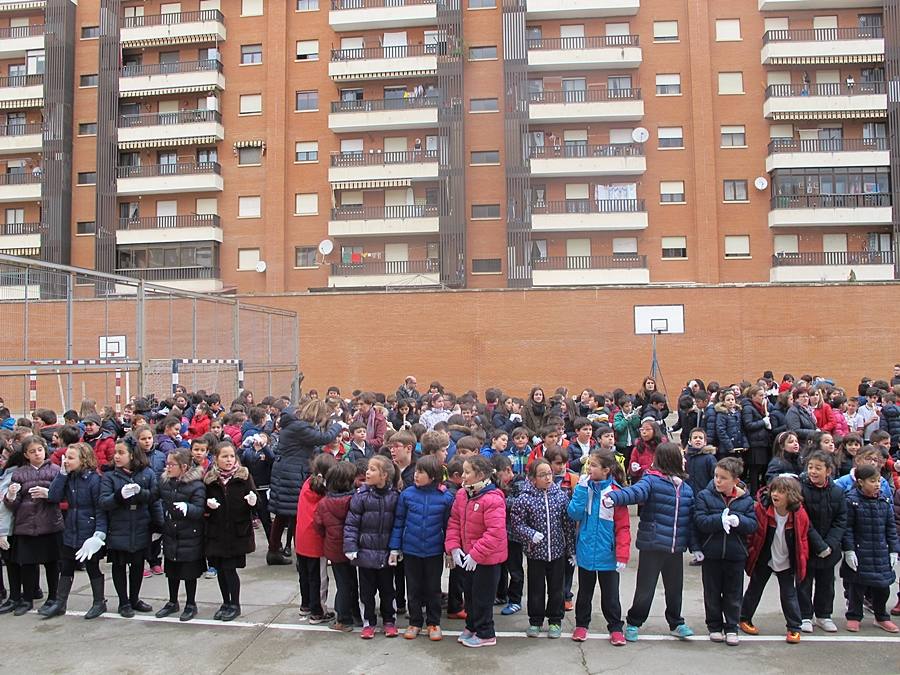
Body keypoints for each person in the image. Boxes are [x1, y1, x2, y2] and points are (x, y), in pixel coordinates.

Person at [603, 442, 696, 641]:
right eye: (681, 456)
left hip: (675, 547)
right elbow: (635, 492)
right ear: (672, 459)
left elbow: (690, 519)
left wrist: (695, 546)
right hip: (652, 545)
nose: (685, 459)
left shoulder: (686, 488)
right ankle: (635, 622)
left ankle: (676, 622)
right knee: (645, 589)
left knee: (674, 589)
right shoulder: (651, 480)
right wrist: (615, 497)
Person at [388, 454, 454, 641]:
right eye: (416, 471)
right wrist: (395, 548)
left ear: (433, 475)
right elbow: (399, 522)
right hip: (411, 550)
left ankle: (433, 623)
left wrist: (449, 550)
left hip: (433, 551)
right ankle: (415, 622)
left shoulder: (445, 497)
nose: (416, 475)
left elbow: (448, 526)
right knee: (414, 587)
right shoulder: (407, 495)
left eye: (421, 472)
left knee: (433, 588)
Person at [567, 451, 630, 645]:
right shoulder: (584, 488)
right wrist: (580, 490)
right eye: (589, 465)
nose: (588, 469)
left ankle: (616, 627)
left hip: (608, 555)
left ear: (606, 470)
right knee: (584, 592)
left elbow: (623, 527)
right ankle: (581, 625)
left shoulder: (615, 493)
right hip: (586, 550)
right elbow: (574, 514)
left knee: (611, 595)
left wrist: (622, 555)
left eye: (593, 465)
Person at [269, 400, 342, 565]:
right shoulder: (300, 427)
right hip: (292, 473)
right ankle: (301, 555)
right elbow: (325, 438)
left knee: (282, 514)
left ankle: (274, 551)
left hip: (286, 472)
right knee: (297, 514)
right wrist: (337, 424)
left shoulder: (296, 425)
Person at [693, 457, 757, 646]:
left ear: (735, 481)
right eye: (716, 476)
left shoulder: (745, 500)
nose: (718, 481)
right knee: (712, 591)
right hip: (712, 553)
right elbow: (700, 521)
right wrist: (718, 521)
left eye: (723, 478)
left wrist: (739, 521)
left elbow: (753, 524)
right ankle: (714, 626)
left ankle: (731, 626)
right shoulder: (705, 496)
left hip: (735, 555)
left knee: (733, 592)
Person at [445, 454, 507, 648]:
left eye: (467, 472)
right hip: (467, 557)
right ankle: (472, 626)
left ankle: (486, 632)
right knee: (469, 595)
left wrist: (476, 554)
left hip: (486, 560)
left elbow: (495, 533)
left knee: (483, 597)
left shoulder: (492, 498)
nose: (462, 476)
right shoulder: (463, 494)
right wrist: (454, 547)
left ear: (480, 474)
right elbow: (454, 521)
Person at [739, 476, 810, 643]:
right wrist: (750, 553)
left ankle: (794, 627)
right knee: (754, 589)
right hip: (765, 557)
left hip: (786, 560)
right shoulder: (762, 510)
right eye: (774, 490)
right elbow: (753, 534)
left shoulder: (799, 514)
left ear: (791, 495)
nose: (775, 494)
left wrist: (802, 559)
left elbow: (803, 539)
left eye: (781, 492)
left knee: (788, 593)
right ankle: (744, 618)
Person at [510, 458, 574, 639]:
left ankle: (555, 620)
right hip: (535, 553)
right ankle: (535, 621)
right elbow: (516, 523)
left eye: (549, 474)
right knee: (536, 589)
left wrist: (571, 550)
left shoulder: (560, 496)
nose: (547, 478)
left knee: (557, 589)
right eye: (542, 475)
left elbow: (567, 524)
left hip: (557, 552)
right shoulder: (524, 498)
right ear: (532, 478)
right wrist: (530, 534)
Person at [45, 442, 108, 620]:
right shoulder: (68, 476)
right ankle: (60, 602)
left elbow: (100, 509)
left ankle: (99, 602)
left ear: (83, 460)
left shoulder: (95, 480)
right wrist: (62, 475)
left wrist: (99, 534)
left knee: (92, 567)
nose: (66, 461)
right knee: (66, 566)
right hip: (71, 529)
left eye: (71, 458)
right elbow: (54, 496)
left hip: (88, 531)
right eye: (66, 457)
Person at [3, 435, 63, 617]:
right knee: (28, 564)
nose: (37, 454)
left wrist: (49, 494)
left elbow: (64, 496)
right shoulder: (19, 473)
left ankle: (53, 597)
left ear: (45, 450)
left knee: (52, 564)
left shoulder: (56, 470)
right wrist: (11, 496)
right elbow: (12, 505)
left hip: (50, 524)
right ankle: (27, 599)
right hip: (26, 526)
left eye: (39, 450)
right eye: (32, 451)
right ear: (26, 455)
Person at [100, 439, 160, 617]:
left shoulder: (147, 474)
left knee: (137, 565)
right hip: (119, 524)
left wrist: (158, 525)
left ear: (132, 455)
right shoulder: (110, 476)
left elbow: (155, 498)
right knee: (119, 565)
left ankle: (135, 598)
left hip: (141, 523)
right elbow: (104, 502)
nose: (116, 456)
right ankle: (123, 601)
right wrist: (119, 496)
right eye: (115, 453)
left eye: (121, 453)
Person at [344, 455, 399, 639]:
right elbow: (351, 524)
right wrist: (350, 547)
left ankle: (389, 620)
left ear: (384, 475)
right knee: (366, 592)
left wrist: (395, 548)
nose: (367, 472)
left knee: (388, 590)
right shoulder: (360, 496)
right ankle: (369, 622)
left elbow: (398, 525)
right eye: (368, 468)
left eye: (373, 469)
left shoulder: (394, 497)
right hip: (365, 554)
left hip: (386, 554)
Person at [842, 464, 900, 632]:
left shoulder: (884, 500)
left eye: (879, 481)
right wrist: (849, 550)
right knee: (857, 587)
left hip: (881, 551)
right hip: (860, 550)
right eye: (872, 481)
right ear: (860, 482)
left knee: (882, 587)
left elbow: (890, 527)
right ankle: (854, 616)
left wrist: (893, 550)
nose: (877, 484)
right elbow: (848, 528)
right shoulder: (851, 500)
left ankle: (881, 616)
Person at [204, 442, 257, 622]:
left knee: (230, 569)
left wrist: (252, 502)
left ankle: (235, 603)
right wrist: (207, 505)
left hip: (236, 531)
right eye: (224, 456)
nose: (228, 460)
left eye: (231, 456)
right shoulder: (210, 479)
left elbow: (256, 503)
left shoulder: (243, 476)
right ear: (216, 459)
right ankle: (225, 602)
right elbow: (204, 503)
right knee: (220, 568)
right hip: (217, 530)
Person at [797, 450, 846, 634]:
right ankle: (805, 615)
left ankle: (824, 615)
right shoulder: (800, 490)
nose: (813, 471)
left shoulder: (837, 492)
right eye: (810, 467)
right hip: (807, 545)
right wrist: (819, 544)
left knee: (827, 583)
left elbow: (841, 521)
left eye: (818, 468)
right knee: (804, 582)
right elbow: (803, 521)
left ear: (828, 471)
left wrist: (830, 545)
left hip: (830, 548)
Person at [155, 448, 205, 622]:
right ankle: (172, 601)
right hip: (171, 532)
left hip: (189, 534)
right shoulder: (166, 482)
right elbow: (154, 495)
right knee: (172, 570)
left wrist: (188, 508)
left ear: (183, 467)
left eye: (171, 464)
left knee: (189, 572)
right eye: (167, 464)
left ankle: (191, 603)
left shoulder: (196, 485)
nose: (168, 468)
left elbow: (199, 509)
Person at [314, 462, 362, 632]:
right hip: (355, 548)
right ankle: (356, 614)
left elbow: (318, 525)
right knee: (352, 583)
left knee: (343, 584)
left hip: (334, 550)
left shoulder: (324, 503)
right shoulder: (355, 500)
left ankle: (342, 618)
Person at [295, 452, 337, 624]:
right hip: (316, 541)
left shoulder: (307, 484)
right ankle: (318, 611)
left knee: (304, 574)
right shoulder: (325, 492)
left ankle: (305, 605)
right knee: (318, 578)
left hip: (301, 537)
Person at [742, 385, 773, 496]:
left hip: (762, 442)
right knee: (754, 470)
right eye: (760, 395)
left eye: (764, 395)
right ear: (753, 396)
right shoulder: (748, 408)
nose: (763, 398)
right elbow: (748, 425)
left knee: (761, 468)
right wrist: (763, 422)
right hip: (754, 443)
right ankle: (754, 493)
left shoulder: (760, 407)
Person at [715, 391, 747, 460]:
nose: (731, 401)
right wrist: (729, 446)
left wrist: (745, 443)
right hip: (726, 450)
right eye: (728, 400)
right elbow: (721, 431)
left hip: (738, 447)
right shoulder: (721, 414)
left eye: (732, 399)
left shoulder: (738, 413)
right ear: (723, 402)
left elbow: (742, 429)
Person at [629, 420, 660, 485]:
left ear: (655, 431)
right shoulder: (637, 448)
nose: (644, 432)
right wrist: (633, 468)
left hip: (658, 481)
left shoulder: (662, 447)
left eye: (647, 429)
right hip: (641, 482)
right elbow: (632, 467)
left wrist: (645, 468)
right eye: (642, 429)